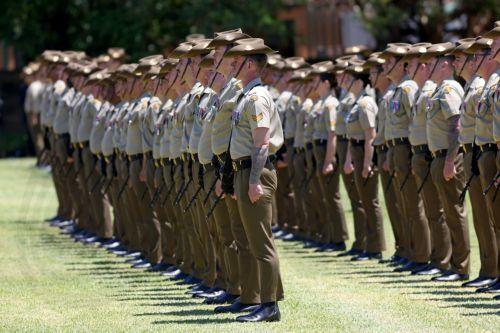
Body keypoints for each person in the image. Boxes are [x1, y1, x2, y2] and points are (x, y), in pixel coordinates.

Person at [223, 38, 283, 322]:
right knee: (248, 240)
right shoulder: (246, 95)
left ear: (249, 64)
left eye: (236, 61)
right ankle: (252, 298)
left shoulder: (257, 97)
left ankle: (269, 305)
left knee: (261, 242)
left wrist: (254, 180)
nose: (232, 65)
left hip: (254, 170)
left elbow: (261, 143)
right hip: (242, 170)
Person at [424, 42, 470, 282]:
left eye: (432, 62)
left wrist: (450, 161)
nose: (427, 66)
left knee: (454, 212)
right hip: (439, 156)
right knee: (445, 212)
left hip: (448, 157)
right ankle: (451, 263)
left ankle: (460, 267)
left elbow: (456, 126)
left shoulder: (450, 88)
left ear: (444, 65)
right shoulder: (439, 89)